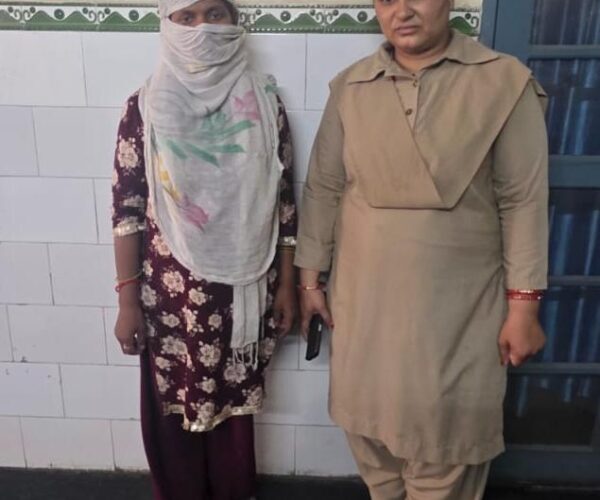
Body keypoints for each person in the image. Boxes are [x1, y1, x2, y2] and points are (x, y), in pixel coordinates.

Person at [295, 0, 548, 498]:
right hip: (363, 302)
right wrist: (309, 279)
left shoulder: (503, 81)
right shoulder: (351, 86)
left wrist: (525, 307)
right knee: (373, 445)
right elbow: (324, 187)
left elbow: (523, 199)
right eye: (387, 0)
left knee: (445, 447)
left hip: (458, 310)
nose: (403, 11)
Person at [111, 0, 297, 498]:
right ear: (166, 25)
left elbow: (283, 203)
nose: (202, 28)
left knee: (233, 411)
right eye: (187, 17)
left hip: (244, 289)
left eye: (215, 14)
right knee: (172, 407)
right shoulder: (145, 108)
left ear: (235, 22)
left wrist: (288, 286)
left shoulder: (264, 104)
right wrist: (127, 302)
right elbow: (127, 211)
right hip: (169, 298)